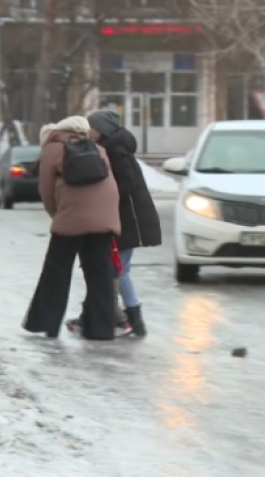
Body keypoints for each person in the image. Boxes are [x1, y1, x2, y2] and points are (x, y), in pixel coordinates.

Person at [22, 116, 121, 340]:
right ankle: (101, 330)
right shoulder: (97, 149)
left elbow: (46, 190)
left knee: (57, 271)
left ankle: (47, 324)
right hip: (106, 216)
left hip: (71, 217)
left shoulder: (52, 149)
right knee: (99, 272)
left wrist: (58, 216)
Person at [79, 110, 162, 337]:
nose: (88, 132)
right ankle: (103, 315)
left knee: (119, 269)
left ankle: (134, 320)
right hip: (126, 217)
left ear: (102, 130)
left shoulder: (116, 151)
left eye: (91, 128)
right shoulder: (114, 147)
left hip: (128, 219)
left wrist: (104, 198)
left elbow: (125, 184)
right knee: (114, 268)